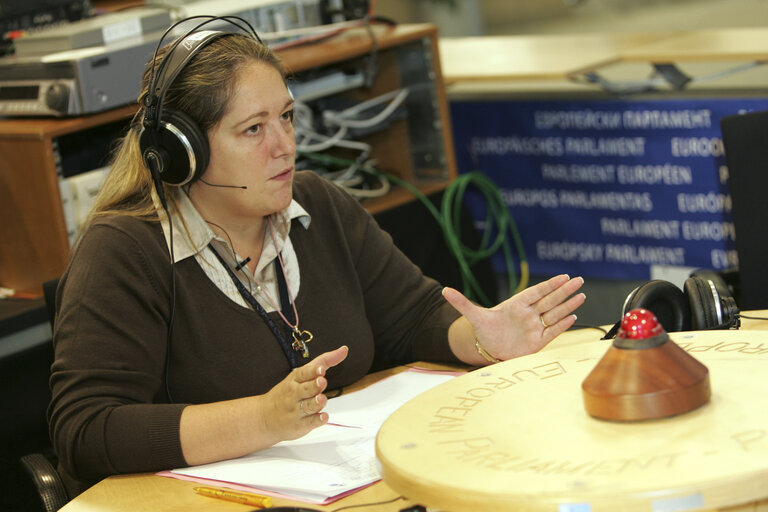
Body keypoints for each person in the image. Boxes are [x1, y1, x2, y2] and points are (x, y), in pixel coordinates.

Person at [48, 23, 586, 497]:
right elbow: (86, 430)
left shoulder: (318, 205)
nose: (284, 145)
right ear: (183, 151)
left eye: (286, 117)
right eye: (253, 129)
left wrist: (480, 340)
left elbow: (413, 317)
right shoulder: (123, 251)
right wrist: (262, 418)